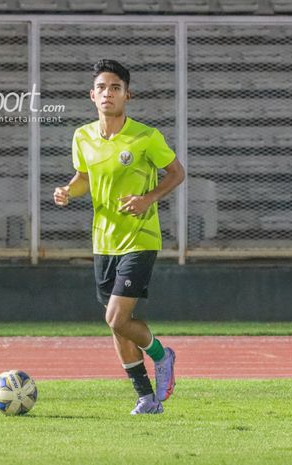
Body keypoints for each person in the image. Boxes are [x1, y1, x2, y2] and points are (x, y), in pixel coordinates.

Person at [53, 59, 186, 414]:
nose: (108, 93)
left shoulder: (146, 137)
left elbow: (176, 173)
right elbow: (83, 177)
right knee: (118, 326)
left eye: (115, 88)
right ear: (91, 96)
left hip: (140, 238)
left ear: (128, 94)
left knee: (115, 318)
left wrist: (148, 199)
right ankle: (146, 398)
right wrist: (69, 190)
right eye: (102, 88)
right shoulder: (82, 136)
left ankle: (161, 354)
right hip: (103, 241)